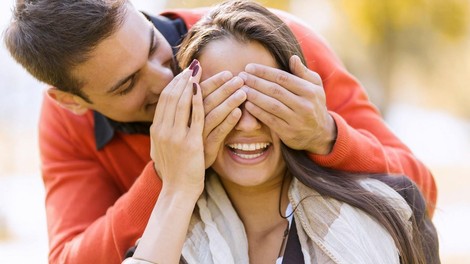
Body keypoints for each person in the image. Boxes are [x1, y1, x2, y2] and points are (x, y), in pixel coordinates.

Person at [3, 0, 437, 263]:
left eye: (155, 47)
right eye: (128, 84)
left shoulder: (267, 45)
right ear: (73, 101)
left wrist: (327, 136)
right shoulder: (66, 124)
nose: (164, 80)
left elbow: (419, 194)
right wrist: (168, 176)